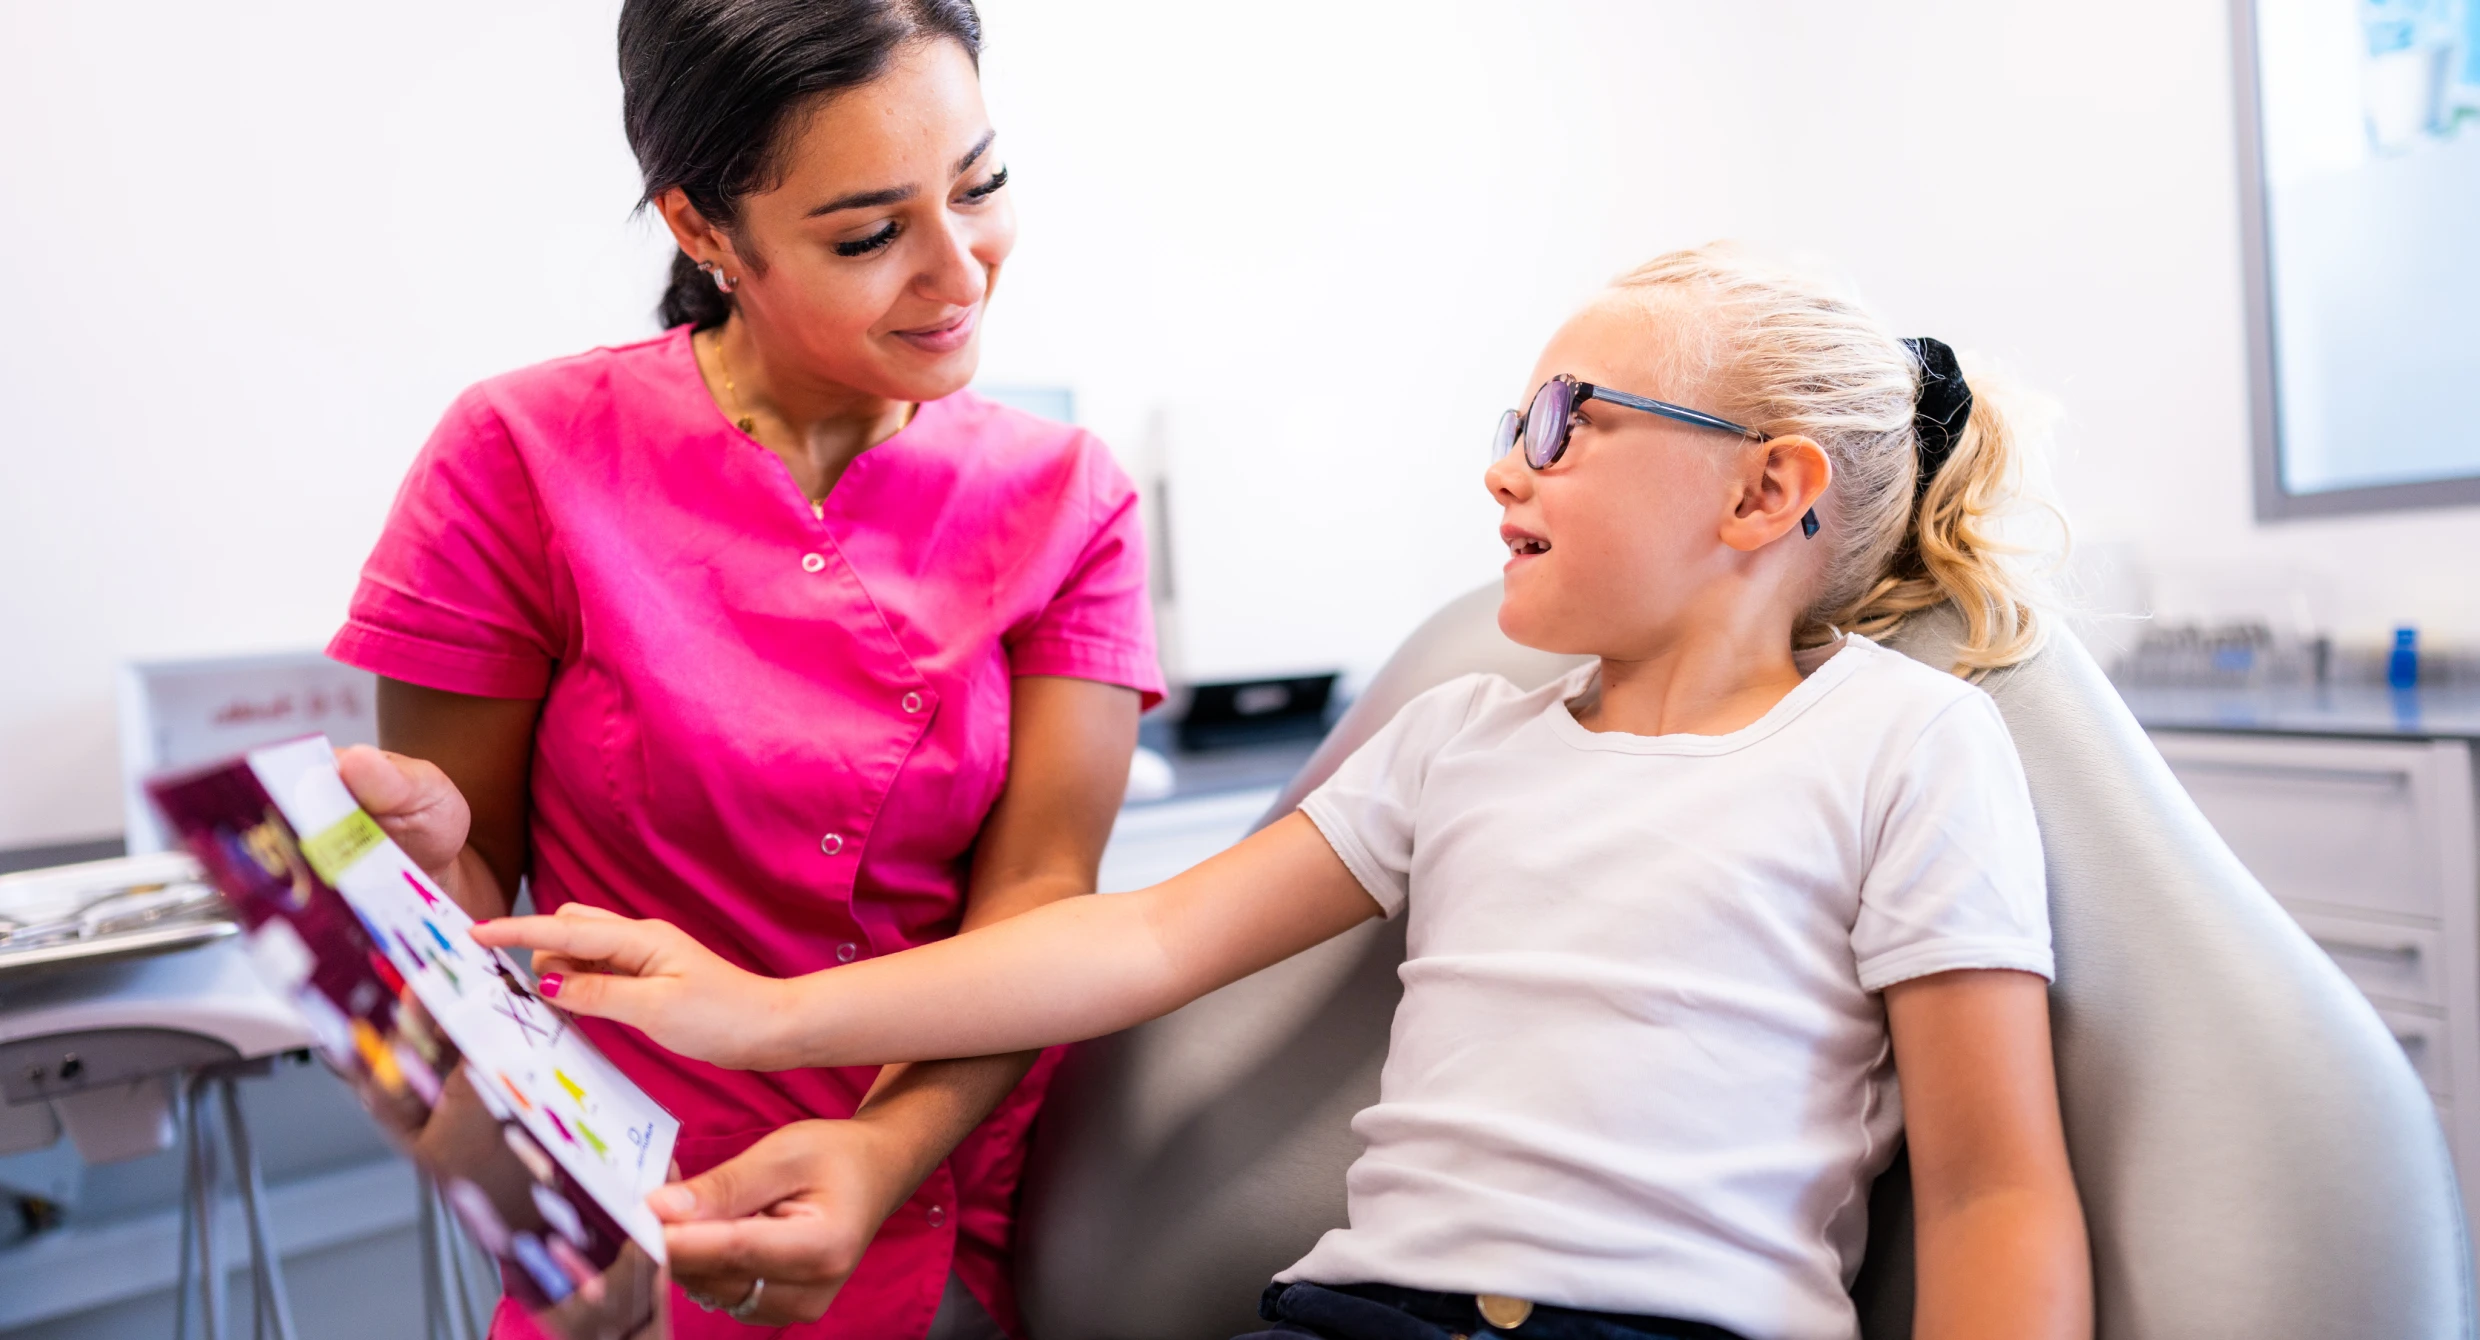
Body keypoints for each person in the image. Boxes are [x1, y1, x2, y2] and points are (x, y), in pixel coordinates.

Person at [475, 245, 2095, 1340]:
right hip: (1352, 1313)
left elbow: (1992, 1184)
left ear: (1764, 489)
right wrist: (757, 1016)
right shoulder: (1461, 739)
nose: (1502, 467)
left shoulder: (1906, 746)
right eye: (1506, 424)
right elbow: (1140, 945)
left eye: (1560, 425)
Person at [327, 1, 1163, 1336]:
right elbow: (476, 926)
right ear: (705, 231)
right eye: (869, 234)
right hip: (655, 1215)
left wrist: (888, 1154)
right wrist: (428, 870)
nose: (961, 271)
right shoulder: (520, 456)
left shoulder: (1070, 499)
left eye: (982, 185)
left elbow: (1043, 902)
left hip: (964, 1201)